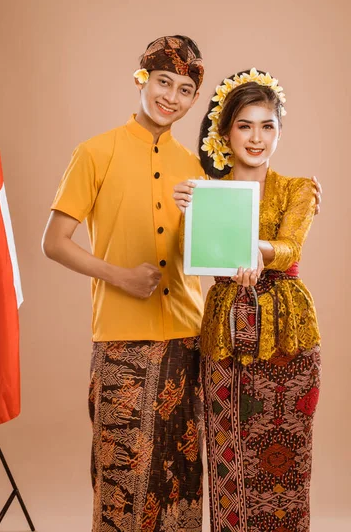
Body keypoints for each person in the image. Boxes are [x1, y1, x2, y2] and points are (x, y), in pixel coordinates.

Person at [42, 36, 207, 532]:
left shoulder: (193, 169)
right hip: (121, 342)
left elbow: (202, 256)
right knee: (123, 480)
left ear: (194, 99)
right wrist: (121, 277)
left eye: (184, 90)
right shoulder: (95, 152)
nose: (171, 97)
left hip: (187, 340)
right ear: (142, 80)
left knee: (181, 479)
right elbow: (54, 242)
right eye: (163, 82)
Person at [173, 68, 321, 532]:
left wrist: (262, 250)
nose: (256, 138)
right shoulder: (203, 191)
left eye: (267, 126)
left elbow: (291, 247)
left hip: (289, 332)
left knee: (287, 462)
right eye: (245, 125)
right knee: (226, 451)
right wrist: (184, 213)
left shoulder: (298, 188)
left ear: (279, 131)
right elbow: (185, 258)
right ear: (225, 130)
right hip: (224, 331)